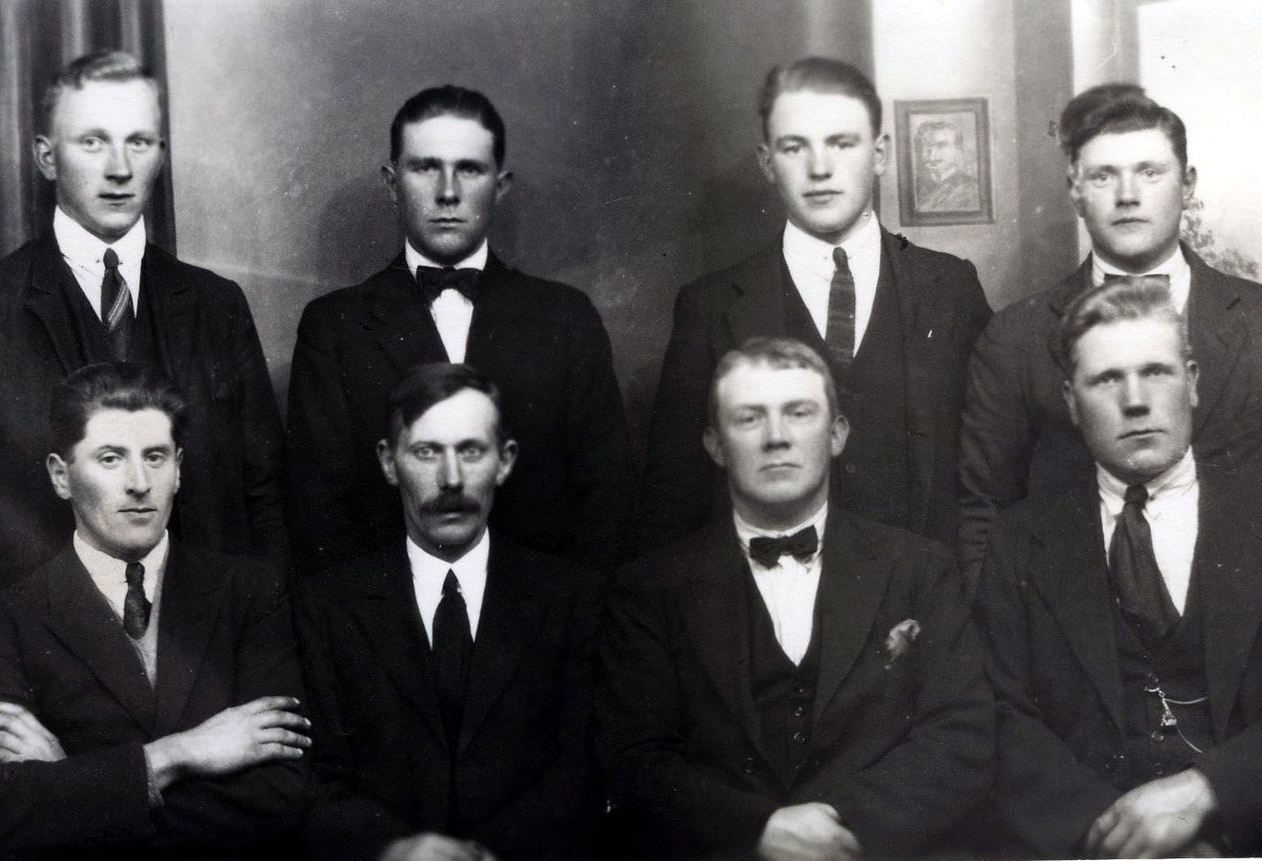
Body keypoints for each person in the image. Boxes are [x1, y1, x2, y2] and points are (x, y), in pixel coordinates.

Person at [0, 51, 287, 709]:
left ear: (161, 153)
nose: (119, 168)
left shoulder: (216, 306)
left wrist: (269, 672)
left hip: (211, 679)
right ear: (46, 156)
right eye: (92, 142)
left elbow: (266, 503)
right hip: (41, 687)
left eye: (138, 142)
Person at [975, 277, 1262, 856]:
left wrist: (1206, 792)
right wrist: (1125, 838)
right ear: (1070, 400)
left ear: (1191, 382)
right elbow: (1000, 724)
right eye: (1107, 379)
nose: (1135, 400)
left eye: (1156, 372)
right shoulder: (1018, 541)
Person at [958, 83, 1262, 582]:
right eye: (1103, 176)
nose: (1127, 195)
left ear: (1187, 184)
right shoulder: (1015, 337)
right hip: (1075, 623)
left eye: (1149, 172)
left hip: (1251, 620)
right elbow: (982, 510)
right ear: (1075, 191)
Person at [601, 337, 992, 859]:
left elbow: (962, 734)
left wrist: (836, 823)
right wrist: (757, 829)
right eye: (749, 418)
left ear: (837, 434)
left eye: (799, 413)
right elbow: (635, 761)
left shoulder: (920, 569)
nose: (777, 438)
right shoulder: (648, 589)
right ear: (715, 445)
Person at [0, 363, 309, 860]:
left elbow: (282, 798)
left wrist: (70, 778)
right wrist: (179, 755)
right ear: (61, 475)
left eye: (155, 457)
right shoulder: (2, 623)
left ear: (178, 469)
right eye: (111, 458)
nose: (140, 483)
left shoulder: (250, 592)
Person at [641, 57, 991, 551]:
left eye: (841, 143)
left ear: (880, 153)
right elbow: (674, 503)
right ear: (767, 162)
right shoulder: (709, 307)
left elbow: (991, 478)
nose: (820, 168)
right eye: (795, 147)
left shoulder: (952, 288)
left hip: (930, 591)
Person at [286, 85, 632, 577]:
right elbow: (320, 513)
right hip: (386, 613)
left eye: (468, 169)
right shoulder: (335, 327)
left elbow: (607, 501)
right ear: (392, 183)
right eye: (426, 167)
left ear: (500, 186)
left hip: (545, 614)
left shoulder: (566, 319)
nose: (447, 192)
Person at [297, 363, 602, 860]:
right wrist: (397, 849)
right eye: (427, 452)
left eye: (471, 450)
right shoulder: (326, 606)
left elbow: (584, 770)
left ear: (504, 461)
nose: (452, 478)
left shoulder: (573, 598)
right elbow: (316, 778)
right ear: (388, 462)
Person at [913, 120, 980, 212]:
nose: (932, 155)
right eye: (928, 146)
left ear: (958, 150)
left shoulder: (973, 189)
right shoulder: (914, 187)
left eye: (941, 146)